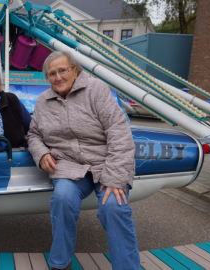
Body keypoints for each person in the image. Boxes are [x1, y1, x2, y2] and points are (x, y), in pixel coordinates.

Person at [27, 51, 139, 270]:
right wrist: (41, 153)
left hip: (105, 161)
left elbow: (119, 131)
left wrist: (115, 177)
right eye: (52, 73)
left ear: (75, 70)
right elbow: (33, 135)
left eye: (63, 70)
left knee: (114, 206)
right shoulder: (43, 101)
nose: (58, 77)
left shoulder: (96, 90)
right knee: (62, 198)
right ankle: (60, 264)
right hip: (68, 165)